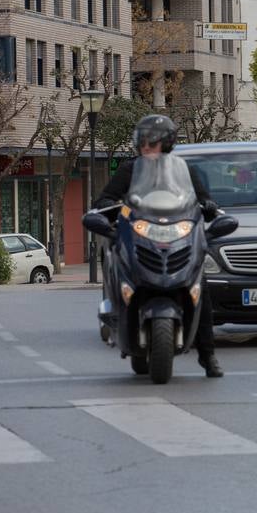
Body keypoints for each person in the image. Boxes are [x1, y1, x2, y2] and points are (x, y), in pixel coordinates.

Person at [95, 114, 224, 378]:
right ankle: (117, 318)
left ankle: (208, 354)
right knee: (118, 264)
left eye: (152, 142)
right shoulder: (130, 170)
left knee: (200, 286)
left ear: (167, 143)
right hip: (141, 237)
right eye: (142, 141)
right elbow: (106, 198)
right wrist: (106, 209)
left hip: (176, 236)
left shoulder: (184, 171)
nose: (146, 147)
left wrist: (209, 206)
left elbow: (203, 199)